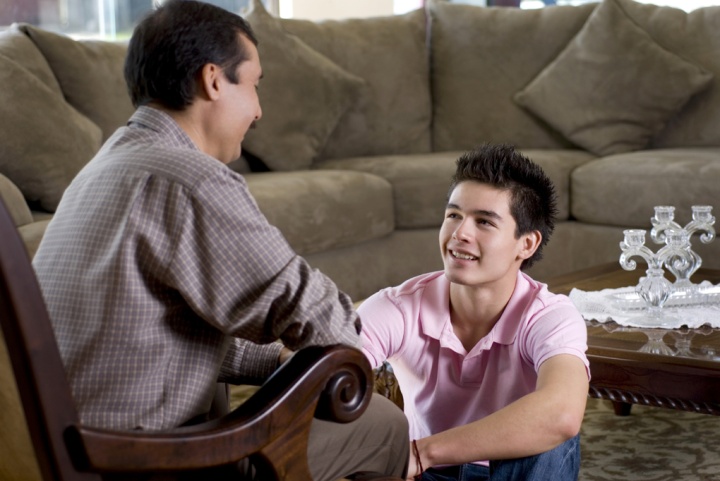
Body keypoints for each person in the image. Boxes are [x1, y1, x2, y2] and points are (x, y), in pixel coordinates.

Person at [31, 1, 408, 479]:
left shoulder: (102, 170)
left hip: (61, 448)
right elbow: (323, 322)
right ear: (213, 80)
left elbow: (151, 331)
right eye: (253, 85)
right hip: (143, 460)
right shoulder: (191, 180)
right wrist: (365, 353)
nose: (258, 111)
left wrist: (273, 359)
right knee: (381, 425)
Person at [359, 144, 590, 480]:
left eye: (483, 222)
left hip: (512, 470)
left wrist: (422, 453)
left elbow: (562, 414)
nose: (459, 233)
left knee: (548, 438)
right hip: (430, 474)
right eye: (454, 215)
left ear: (526, 244)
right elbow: (325, 372)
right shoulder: (398, 306)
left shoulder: (550, 315)